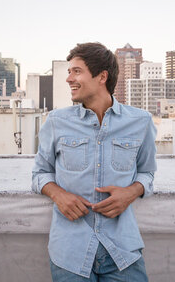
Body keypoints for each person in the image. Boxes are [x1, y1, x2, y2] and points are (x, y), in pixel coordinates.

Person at [32, 42, 157, 281]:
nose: (69, 79)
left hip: (122, 251)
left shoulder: (140, 121)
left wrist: (131, 192)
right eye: (69, 72)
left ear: (102, 76)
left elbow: (148, 173)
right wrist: (59, 195)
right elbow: (39, 174)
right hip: (70, 252)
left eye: (76, 71)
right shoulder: (56, 121)